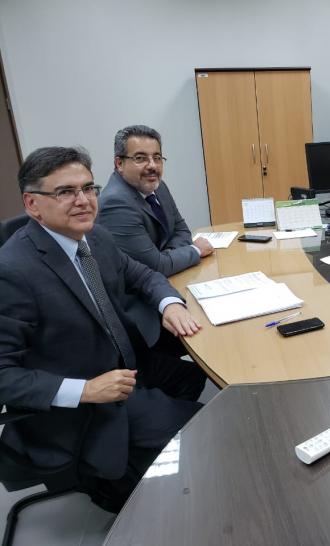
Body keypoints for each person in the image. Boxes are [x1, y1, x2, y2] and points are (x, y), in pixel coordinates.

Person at [0, 147, 204, 512]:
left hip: (121, 366)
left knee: (191, 379)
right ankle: (114, 480)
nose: (83, 201)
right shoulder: (12, 271)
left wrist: (168, 303)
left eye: (88, 188)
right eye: (65, 192)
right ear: (33, 204)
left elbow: (140, 273)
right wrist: (87, 390)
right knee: (200, 433)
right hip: (84, 398)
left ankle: (137, 460)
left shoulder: (94, 237)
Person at [97, 125, 213, 277]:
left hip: (169, 277)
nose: (152, 166)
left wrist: (167, 256)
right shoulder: (115, 203)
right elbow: (156, 267)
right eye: (140, 158)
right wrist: (195, 250)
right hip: (138, 294)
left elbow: (181, 229)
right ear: (119, 164)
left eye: (157, 158)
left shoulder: (157, 186)